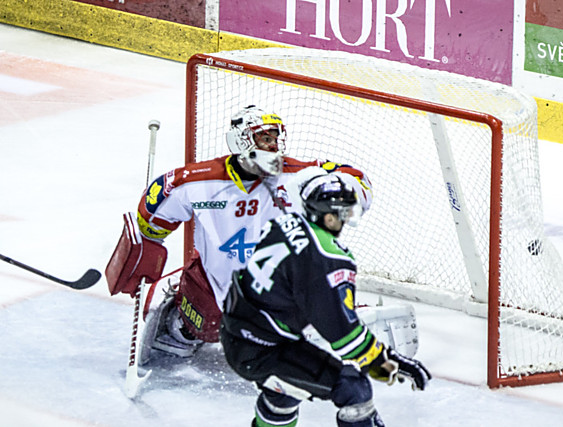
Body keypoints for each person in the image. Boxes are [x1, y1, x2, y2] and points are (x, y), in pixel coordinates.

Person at [105, 105, 373, 362]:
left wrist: (340, 189)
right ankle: (180, 322)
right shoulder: (198, 181)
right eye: (263, 137)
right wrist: (146, 248)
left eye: (275, 138)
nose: (273, 145)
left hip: (279, 284)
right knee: (205, 325)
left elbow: (355, 179)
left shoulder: (297, 175)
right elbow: (152, 218)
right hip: (215, 282)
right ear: (239, 142)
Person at [220, 174, 431, 427]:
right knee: (354, 389)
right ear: (329, 216)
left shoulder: (283, 222)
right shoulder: (327, 259)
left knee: (286, 391)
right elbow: (345, 337)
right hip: (263, 351)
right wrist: (385, 361)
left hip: (241, 333)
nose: (347, 219)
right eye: (345, 212)